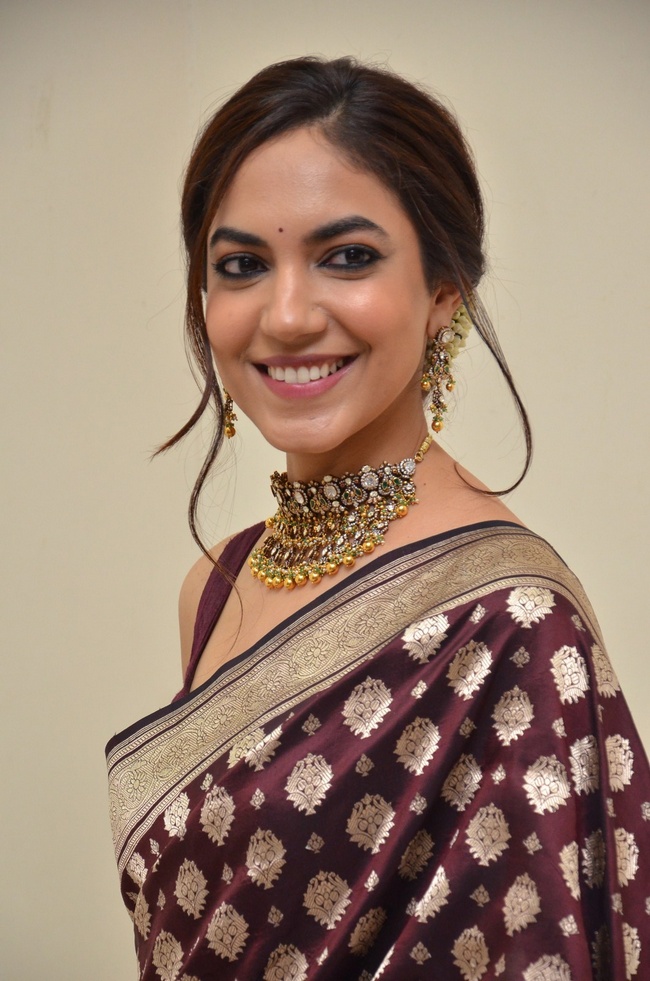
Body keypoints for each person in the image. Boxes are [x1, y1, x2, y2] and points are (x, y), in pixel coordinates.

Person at [106, 57, 650, 980]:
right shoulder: (213, 588)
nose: (286, 315)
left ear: (445, 289)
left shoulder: (511, 622)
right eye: (242, 266)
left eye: (347, 257)